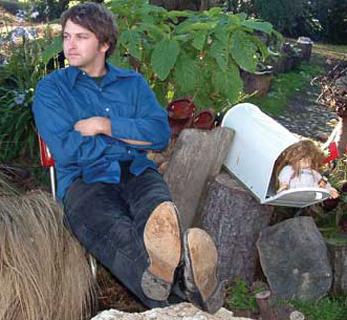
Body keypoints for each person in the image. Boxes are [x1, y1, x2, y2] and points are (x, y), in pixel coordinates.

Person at [32, 2, 224, 313]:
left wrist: (103, 126)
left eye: (81, 37)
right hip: (85, 183)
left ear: (104, 44)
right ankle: (194, 295)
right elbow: (68, 149)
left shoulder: (132, 84)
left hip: (138, 173)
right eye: (66, 36)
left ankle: (182, 292)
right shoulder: (52, 90)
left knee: (162, 228)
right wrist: (127, 140)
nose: (69, 44)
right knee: (121, 239)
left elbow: (158, 134)